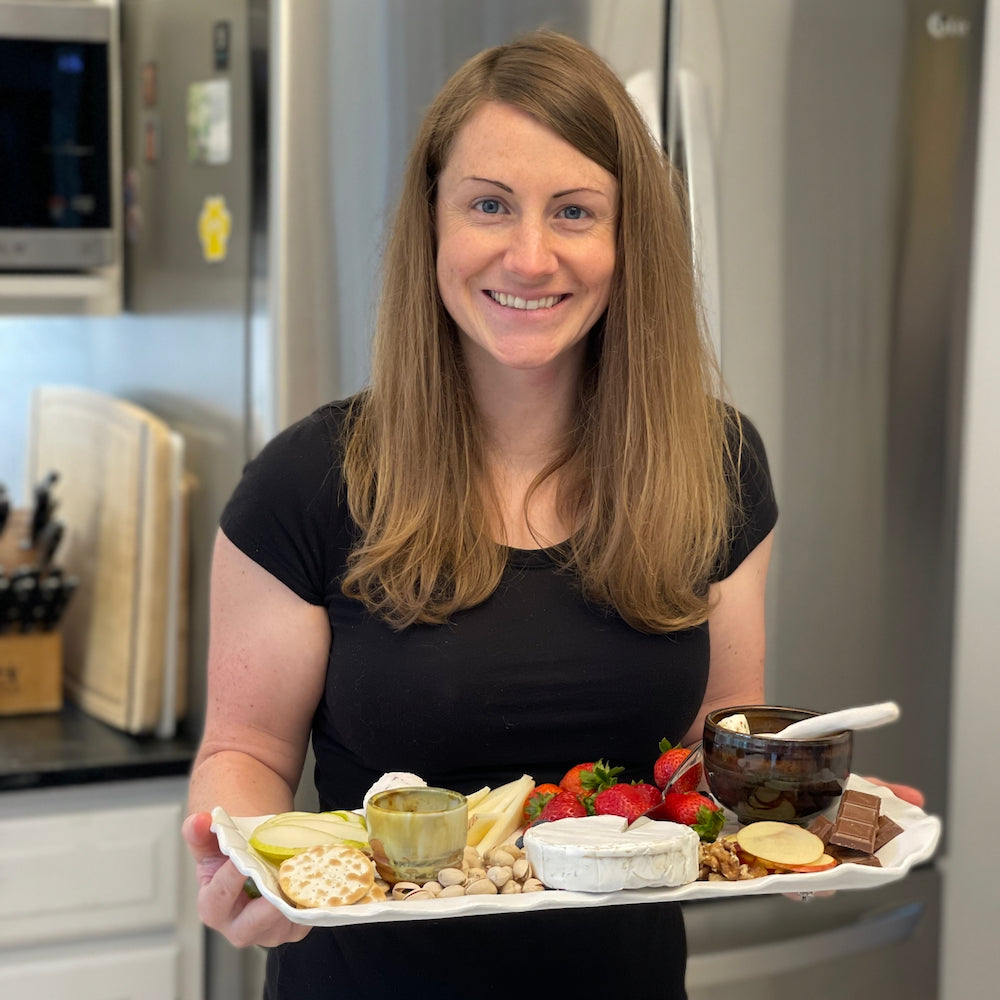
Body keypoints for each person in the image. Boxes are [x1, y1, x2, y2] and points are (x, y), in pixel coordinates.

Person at [182, 29, 916, 999]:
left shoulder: (718, 468)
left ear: (626, 241)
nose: (529, 257)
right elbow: (245, 754)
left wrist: (803, 814)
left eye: (574, 211)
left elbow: (710, 743)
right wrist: (245, 865)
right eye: (489, 205)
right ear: (433, 225)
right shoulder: (307, 485)